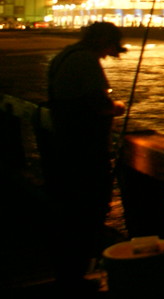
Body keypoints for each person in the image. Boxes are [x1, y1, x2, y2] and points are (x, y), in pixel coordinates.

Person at [40, 21, 128, 295]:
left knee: (69, 212)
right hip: (86, 151)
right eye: (109, 49)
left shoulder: (64, 56)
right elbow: (96, 105)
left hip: (63, 148)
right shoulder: (85, 62)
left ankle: (67, 272)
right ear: (103, 41)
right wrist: (117, 107)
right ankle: (75, 276)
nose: (107, 55)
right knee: (88, 210)